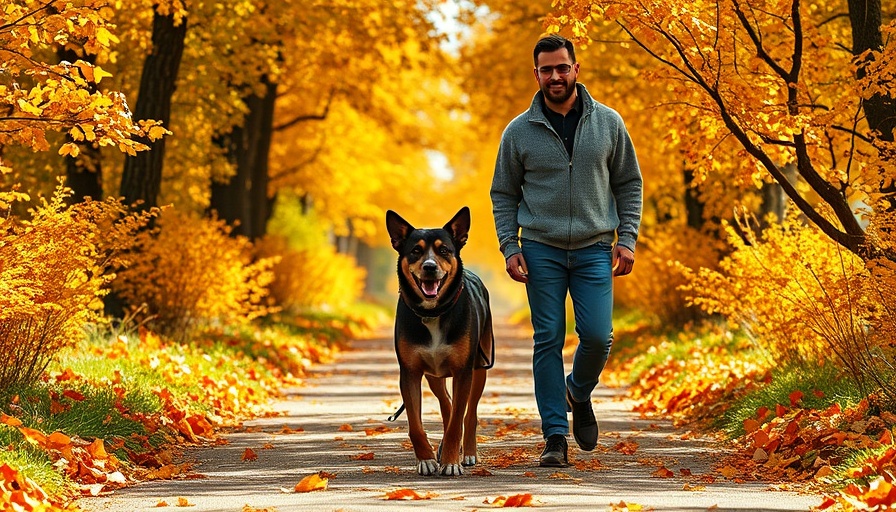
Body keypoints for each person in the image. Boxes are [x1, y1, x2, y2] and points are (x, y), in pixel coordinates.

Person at [490, 34, 643, 467]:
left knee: (597, 336)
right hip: (541, 248)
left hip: (596, 246)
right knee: (548, 339)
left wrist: (626, 239)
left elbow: (628, 183)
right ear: (535, 74)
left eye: (562, 67)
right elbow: (503, 192)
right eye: (546, 69)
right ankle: (554, 436)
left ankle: (577, 388)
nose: (555, 76)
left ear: (576, 69)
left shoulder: (609, 123)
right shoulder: (519, 132)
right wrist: (509, 246)